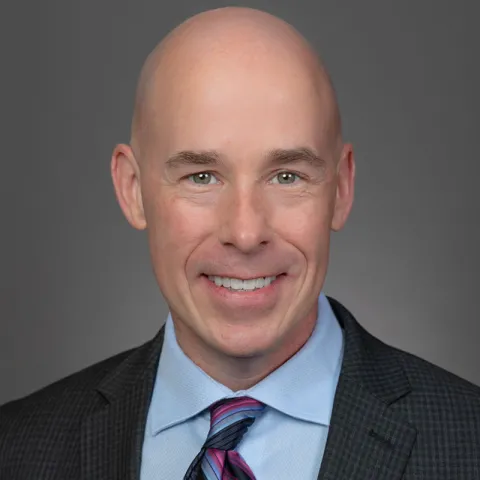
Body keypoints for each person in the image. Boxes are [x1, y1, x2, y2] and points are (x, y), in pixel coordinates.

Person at [1, 6, 479, 480]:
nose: (246, 233)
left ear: (342, 187)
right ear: (133, 189)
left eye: (287, 176)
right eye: (202, 176)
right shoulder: (16, 449)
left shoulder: (469, 442)